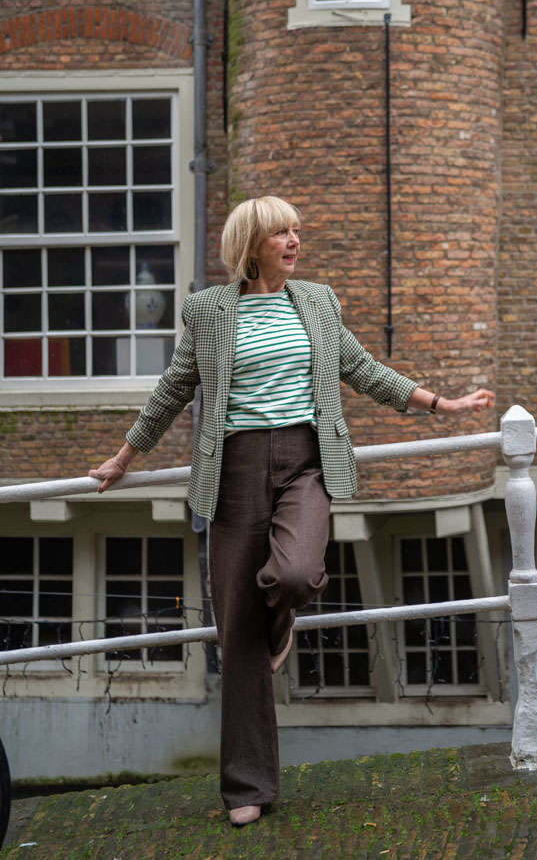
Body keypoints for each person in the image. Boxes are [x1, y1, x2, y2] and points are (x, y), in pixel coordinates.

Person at [89, 196, 495, 828]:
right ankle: (246, 787)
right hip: (234, 471)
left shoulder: (318, 302)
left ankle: (281, 623)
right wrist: (123, 458)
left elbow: (360, 368)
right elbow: (172, 390)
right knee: (238, 638)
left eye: (296, 230)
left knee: (298, 573)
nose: (294, 240)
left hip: (307, 462)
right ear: (251, 245)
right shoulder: (208, 310)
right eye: (281, 231)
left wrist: (441, 404)